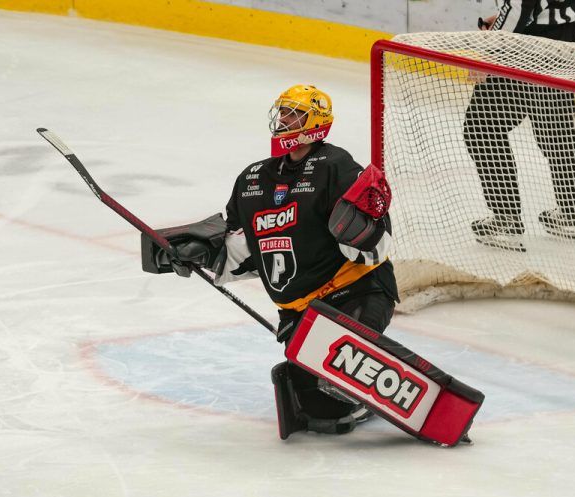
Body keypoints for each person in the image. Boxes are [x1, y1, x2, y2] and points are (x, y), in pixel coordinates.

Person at [143, 84, 398, 437]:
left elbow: (379, 247)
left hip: (357, 294)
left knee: (340, 374)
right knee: (321, 412)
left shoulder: (335, 167)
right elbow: (245, 252)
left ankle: (360, 385)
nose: (285, 119)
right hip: (300, 313)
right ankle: (343, 389)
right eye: (284, 112)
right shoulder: (253, 179)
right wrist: (201, 254)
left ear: (316, 123)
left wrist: (357, 230)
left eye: (295, 113)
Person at [464, 0, 575, 252]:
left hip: (525, 50)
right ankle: (574, 212)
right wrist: (505, 18)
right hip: (559, 41)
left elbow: (520, 6)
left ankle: (507, 219)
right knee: (556, 132)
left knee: (482, 127)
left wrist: (485, 56)